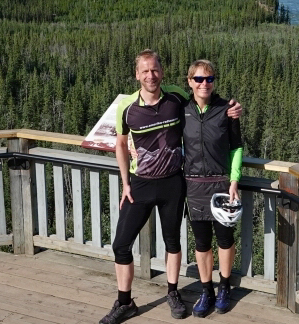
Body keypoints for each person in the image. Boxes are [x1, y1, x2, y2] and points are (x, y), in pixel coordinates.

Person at [100, 50, 240, 324]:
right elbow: (120, 143)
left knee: (173, 242)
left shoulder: (176, 97)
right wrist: (125, 183)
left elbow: (208, 109)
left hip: (174, 184)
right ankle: (124, 302)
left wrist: (232, 108)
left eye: (155, 70)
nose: (151, 75)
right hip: (140, 184)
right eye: (145, 71)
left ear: (162, 73)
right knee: (121, 245)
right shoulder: (127, 106)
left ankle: (173, 293)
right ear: (137, 74)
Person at [181, 59, 243, 317]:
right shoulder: (181, 109)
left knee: (226, 240)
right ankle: (207, 291)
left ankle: (224, 287)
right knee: (202, 242)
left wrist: (234, 180)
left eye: (209, 79)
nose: (204, 84)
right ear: (190, 82)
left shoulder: (227, 109)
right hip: (193, 184)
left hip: (221, 184)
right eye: (198, 79)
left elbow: (236, 147)